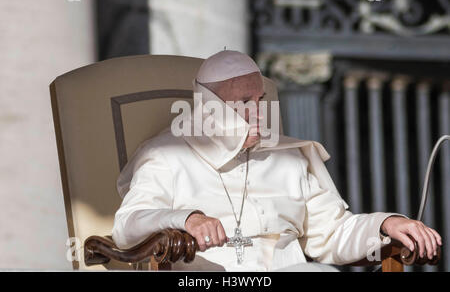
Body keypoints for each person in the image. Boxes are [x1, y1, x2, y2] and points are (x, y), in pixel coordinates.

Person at [112, 50, 441, 271]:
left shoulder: (289, 157)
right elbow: (127, 226)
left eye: (260, 100)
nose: (258, 113)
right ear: (208, 105)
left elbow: (332, 234)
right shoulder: (166, 156)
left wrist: (385, 225)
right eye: (243, 102)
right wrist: (188, 219)